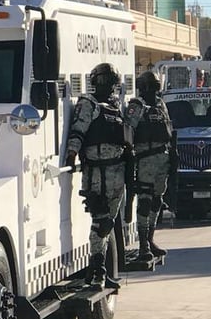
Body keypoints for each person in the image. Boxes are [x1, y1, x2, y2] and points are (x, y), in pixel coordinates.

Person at [65, 63, 128, 291]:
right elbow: (78, 131)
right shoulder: (88, 104)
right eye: (107, 81)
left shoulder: (114, 107)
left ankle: (100, 269)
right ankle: (98, 271)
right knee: (101, 223)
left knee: (108, 223)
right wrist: (72, 154)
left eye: (112, 81)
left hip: (117, 174)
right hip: (96, 175)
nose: (109, 86)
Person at [125, 71, 174, 262]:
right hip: (145, 159)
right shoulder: (137, 106)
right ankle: (143, 243)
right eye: (151, 86)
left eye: (155, 86)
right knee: (144, 201)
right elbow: (128, 130)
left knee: (157, 201)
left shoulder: (160, 104)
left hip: (162, 158)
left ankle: (151, 239)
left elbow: (168, 128)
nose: (154, 90)